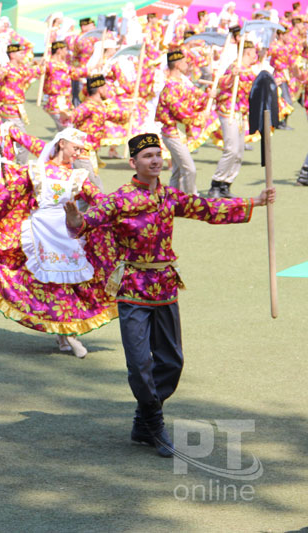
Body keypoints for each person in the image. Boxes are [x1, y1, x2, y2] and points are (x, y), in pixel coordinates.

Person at [63, 133, 276, 457]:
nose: (154, 160)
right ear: (133, 163)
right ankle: (154, 423)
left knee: (172, 363)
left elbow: (206, 208)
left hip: (164, 287)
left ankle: (143, 419)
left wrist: (254, 202)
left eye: (157, 154)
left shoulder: (170, 197)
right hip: (133, 287)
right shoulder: (119, 199)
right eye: (147, 156)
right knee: (139, 364)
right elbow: (86, 222)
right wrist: (76, 219)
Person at [0, 128, 116, 359]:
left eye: (81, 150)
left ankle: (66, 334)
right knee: (52, 285)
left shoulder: (78, 177)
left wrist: (121, 211)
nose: (78, 154)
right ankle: (68, 335)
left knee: (69, 282)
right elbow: (9, 197)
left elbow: (101, 201)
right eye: (76, 148)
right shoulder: (36, 170)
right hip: (40, 232)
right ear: (62, 143)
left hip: (67, 233)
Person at [155, 49, 215, 195]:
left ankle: (173, 199)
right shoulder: (170, 86)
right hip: (172, 133)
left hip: (180, 133)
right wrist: (201, 117)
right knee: (190, 169)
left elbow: (195, 96)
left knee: (178, 170)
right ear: (176, 65)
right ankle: (193, 199)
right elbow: (181, 112)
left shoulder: (182, 82)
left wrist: (208, 96)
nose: (186, 64)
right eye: (183, 61)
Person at [207, 41, 257, 199]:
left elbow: (254, 86)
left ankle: (226, 184)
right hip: (228, 111)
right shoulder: (234, 66)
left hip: (241, 114)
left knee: (240, 151)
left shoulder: (249, 71)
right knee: (231, 148)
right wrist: (232, 76)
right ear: (248, 53)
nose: (256, 56)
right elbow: (221, 83)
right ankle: (216, 183)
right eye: (254, 53)